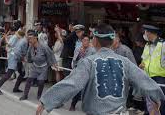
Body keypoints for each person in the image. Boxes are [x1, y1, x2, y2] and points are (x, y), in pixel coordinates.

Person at [36, 23, 165, 115]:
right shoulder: (125, 62)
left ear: (95, 41)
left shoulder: (88, 62)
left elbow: (72, 84)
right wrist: (156, 97)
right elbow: (143, 80)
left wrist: (46, 101)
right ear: (112, 40)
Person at [20, 30, 57, 101]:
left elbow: (51, 54)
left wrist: (54, 63)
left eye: (30, 39)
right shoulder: (31, 47)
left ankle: (39, 95)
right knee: (29, 80)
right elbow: (28, 55)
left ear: (35, 38)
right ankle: (25, 95)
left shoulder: (44, 46)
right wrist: (26, 60)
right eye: (28, 39)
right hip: (35, 66)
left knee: (41, 82)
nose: (29, 40)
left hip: (43, 67)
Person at [140, 24, 165, 114]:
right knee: (149, 104)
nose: (144, 34)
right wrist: (142, 65)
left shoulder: (163, 44)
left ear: (150, 33)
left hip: (160, 79)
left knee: (160, 105)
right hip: (148, 78)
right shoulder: (147, 45)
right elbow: (144, 60)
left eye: (145, 32)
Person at [0, 30, 26, 95]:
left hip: (16, 57)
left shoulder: (21, 39)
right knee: (9, 73)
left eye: (17, 33)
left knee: (22, 73)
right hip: (14, 57)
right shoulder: (20, 39)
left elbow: (11, 45)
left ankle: (16, 88)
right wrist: (22, 58)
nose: (16, 34)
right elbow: (13, 47)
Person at [69, 34, 96, 111]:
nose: (86, 42)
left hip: (88, 71)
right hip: (79, 71)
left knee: (89, 90)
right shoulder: (78, 49)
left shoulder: (92, 50)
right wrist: (80, 53)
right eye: (84, 40)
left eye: (88, 40)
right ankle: (72, 105)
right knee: (78, 89)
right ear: (81, 41)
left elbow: (94, 61)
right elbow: (74, 60)